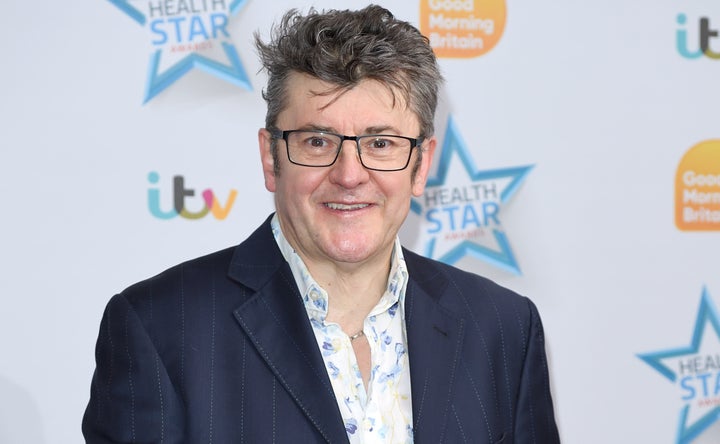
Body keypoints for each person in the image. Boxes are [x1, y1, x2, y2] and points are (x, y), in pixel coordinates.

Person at [82, 5, 560, 443]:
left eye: (381, 144)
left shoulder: (503, 329)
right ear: (271, 158)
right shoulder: (160, 329)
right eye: (316, 141)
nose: (350, 175)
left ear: (421, 165)